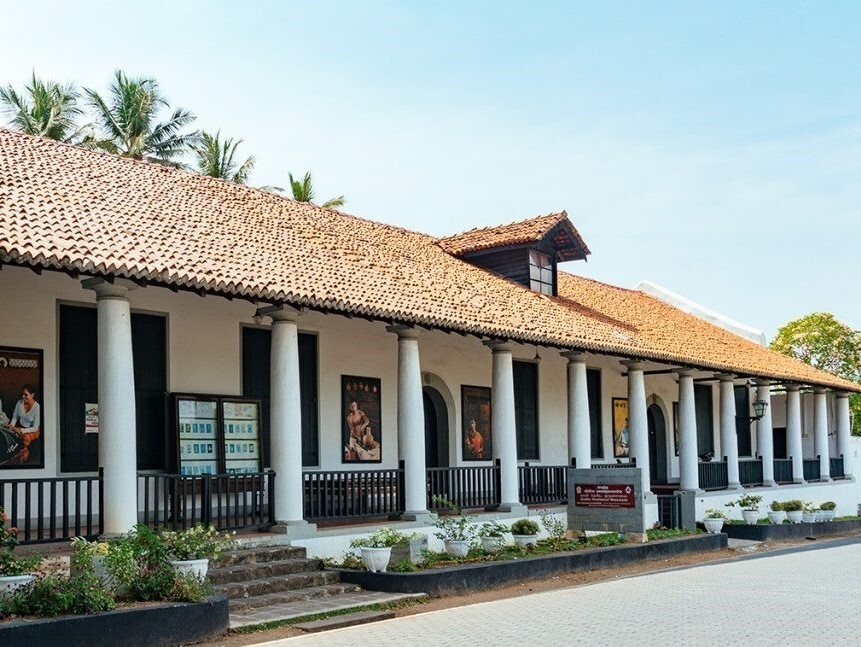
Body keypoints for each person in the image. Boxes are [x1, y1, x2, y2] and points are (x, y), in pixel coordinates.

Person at [8, 384, 41, 463]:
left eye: (26, 395)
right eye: (22, 394)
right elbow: (15, 417)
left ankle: (24, 455)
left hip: (33, 430)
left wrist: (21, 430)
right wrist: (11, 426)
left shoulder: (37, 407)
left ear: (32, 395)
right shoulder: (19, 403)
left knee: (25, 438)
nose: (23, 396)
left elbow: (35, 427)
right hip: (21, 427)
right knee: (9, 433)